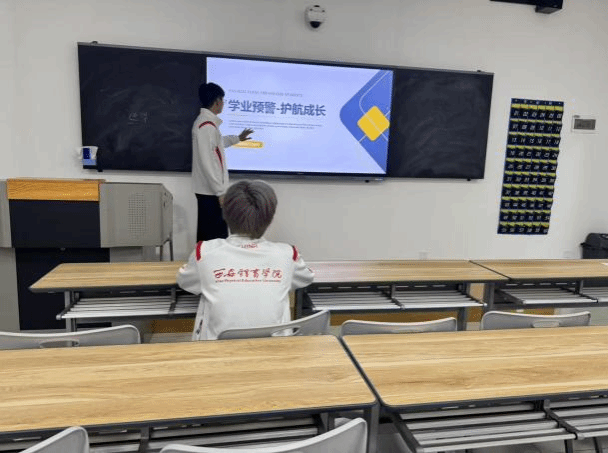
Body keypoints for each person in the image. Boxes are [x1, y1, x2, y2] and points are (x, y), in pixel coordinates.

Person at [177, 180, 315, 340]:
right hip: (275, 351)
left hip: (217, 352)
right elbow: (307, 277)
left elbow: (185, 281)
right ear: (270, 219)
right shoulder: (288, 255)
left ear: (225, 215)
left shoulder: (204, 252)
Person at [192, 82, 254, 241]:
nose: (224, 104)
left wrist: (237, 138)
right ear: (217, 101)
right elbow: (207, 162)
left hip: (210, 191)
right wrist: (220, 192)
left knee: (213, 236)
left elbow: (218, 144)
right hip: (211, 192)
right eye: (223, 100)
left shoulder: (208, 125)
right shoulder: (206, 126)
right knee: (214, 238)